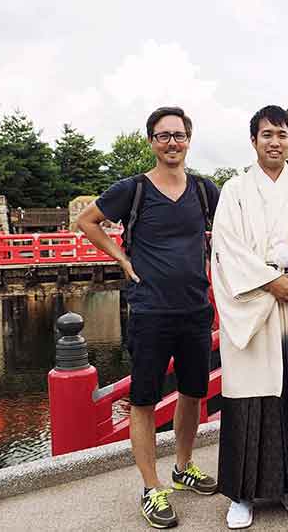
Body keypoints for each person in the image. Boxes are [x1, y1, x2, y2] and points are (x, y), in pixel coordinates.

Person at [78, 106, 220, 529]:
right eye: (163, 136)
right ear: (151, 142)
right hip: (149, 310)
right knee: (143, 400)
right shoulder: (133, 189)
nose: (172, 142)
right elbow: (87, 221)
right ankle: (150, 486)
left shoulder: (203, 189)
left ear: (189, 140)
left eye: (179, 135)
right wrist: (122, 258)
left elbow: (233, 229)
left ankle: (183, 466)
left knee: (194, 393)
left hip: (196, 308)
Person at [210, 105, 288, 529]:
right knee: (250, 400)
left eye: (281, 134)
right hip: (254, 307)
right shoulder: (235, 190)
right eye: (266, 134)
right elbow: (226, 251)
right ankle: (242, 496)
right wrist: (268, 282)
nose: (274, 141)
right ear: (253, 140)